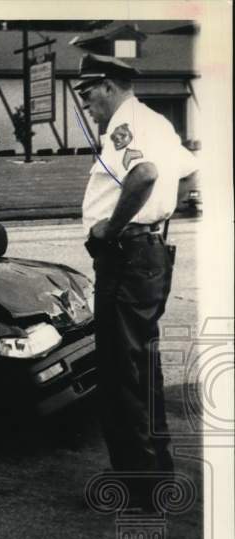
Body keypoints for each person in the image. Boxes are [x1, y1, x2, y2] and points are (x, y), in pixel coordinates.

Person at [74, 53, 198, 508]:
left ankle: (141, 486)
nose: (87, 104)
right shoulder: (157, 123)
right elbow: (186, 176)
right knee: (141, 366)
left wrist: (114, 227)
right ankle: (153, 474)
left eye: (88, 94)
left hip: (125, 257)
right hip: (147, 255)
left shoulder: (126, 127)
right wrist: (155, 220)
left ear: (108, 86)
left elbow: (143, 174)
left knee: (120, 372)